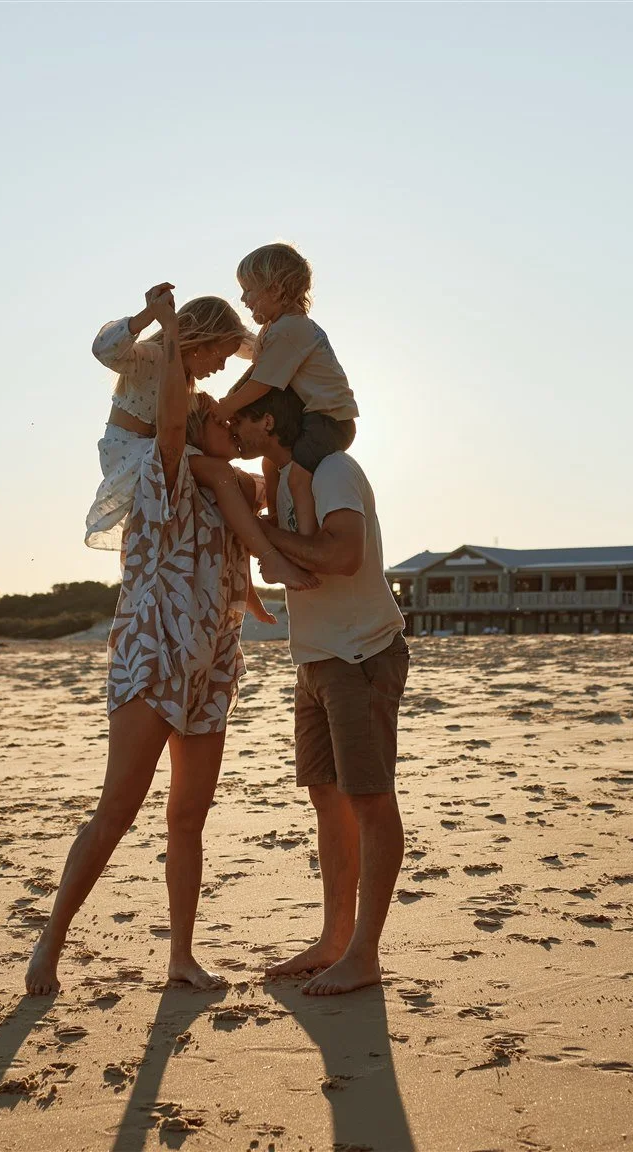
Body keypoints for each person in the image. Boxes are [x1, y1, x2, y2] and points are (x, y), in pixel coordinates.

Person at [27, 284, 262, 996]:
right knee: (116, 815)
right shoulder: (162, 481)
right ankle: (51, 941)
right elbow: (165, 423)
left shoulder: (223, 497)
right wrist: (166, 335)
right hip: (151, 660)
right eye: (215, 416)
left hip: (211, 669)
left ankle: (181, 957)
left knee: (188, 818)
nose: (227, 418)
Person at [229, 385, 409, 996]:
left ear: (269, 418)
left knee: (370, 801)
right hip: (313, 661)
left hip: (360, 655)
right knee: (327, 801)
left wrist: (268, 538)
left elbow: (344, 556)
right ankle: (336, 940)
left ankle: (364, 953)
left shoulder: (333, 470)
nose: (235, 429)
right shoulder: (285, 480)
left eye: (242, 419)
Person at [85, 285, 304, 610]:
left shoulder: (183, 374)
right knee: (219, 474)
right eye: (221, 356)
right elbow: (104, 350)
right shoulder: (156, 357)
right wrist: (151, 317)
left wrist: (285, 327)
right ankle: (268, 557)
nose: (223, 366)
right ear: (200, 342)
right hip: (129, 455)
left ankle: (244, 581)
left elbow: (254, 349)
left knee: (236, 485)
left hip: (153, 449)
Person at [212, 242, 358, 539]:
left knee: (299, 478)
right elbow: (256, 362)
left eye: (249, 290)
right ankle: (279, 521)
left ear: (275, 289)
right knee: (270, 464)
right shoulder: (276, 329)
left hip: (330, 420)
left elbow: (261, 382)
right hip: (314, 414)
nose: (244, 298)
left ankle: (304, 538)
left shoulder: (291, 329)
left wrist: (226, 407)